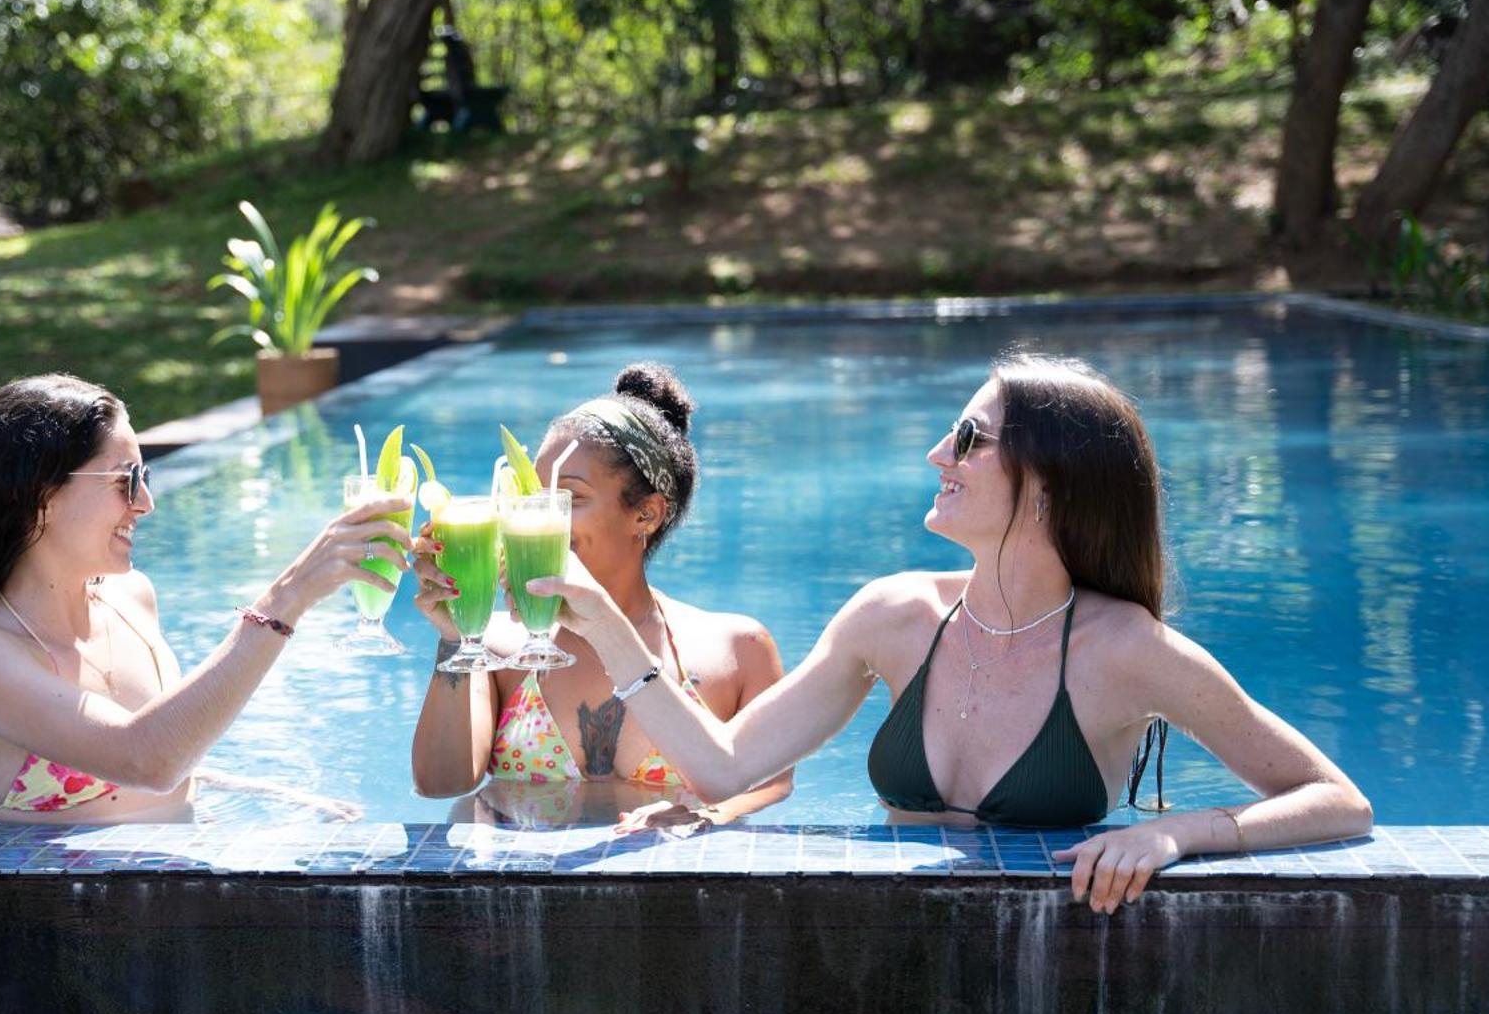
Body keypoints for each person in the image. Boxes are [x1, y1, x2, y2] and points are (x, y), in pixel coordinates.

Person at [530, 354, 1373, 906]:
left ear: (1046, 484)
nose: (939, 452)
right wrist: (607, 627)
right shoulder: (894, 617)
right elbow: (720, 769)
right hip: (897, 953)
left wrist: (1173, 833)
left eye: (969, 438)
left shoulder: (1125, 651)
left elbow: (1338, 802)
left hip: (1068, 971)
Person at [0, 374, 411, 821]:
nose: (145, 504)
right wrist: (288, 597)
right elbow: (145, 761)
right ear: (38, 496)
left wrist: (281, 798)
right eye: (125, 481)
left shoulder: (130, 599)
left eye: (144, 479)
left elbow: (166, 773)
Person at [410, 363, 794, 830]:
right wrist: (455, 640)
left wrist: (704, 815)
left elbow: (771, 783)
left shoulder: (736, 648)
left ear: (646, 514)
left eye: (568, 499)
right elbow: (441, 784)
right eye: (534, 497)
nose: (542, 519)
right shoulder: (496, 645)